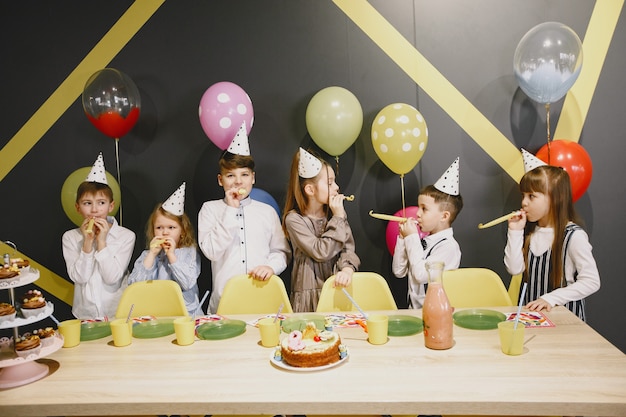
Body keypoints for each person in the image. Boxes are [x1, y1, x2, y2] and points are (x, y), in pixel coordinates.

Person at [198, 122, 290, 313]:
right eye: (230, 175)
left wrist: (270, 266)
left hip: (263, 299)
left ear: (253, 178)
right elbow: (212, 252)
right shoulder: (210, 210)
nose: (238, 181)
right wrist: (230, 210)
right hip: (224, 302)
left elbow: (281, 252)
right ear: (220, 180)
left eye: (244, 174)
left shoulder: (266, 212)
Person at [504, 150, 600, 321]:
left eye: (531, 196)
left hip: (566, 323)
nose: (524, 202)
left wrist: (551, 298)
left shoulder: (573, 236)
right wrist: (515, 231)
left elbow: (591, 281)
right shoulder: (531, 233)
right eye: (523, 196)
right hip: (533, 320)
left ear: (556, 198)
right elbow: (514, 269)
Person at [282, 148, 360, 312]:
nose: (337, 187)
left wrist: (347, 269)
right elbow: (320, 251)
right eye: (330, 183)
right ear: (310, 190)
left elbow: (348, 248)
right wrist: (338, 218)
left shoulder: (335, 214)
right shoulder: (294, 220)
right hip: (308, 297)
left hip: (336, 291)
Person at [62, 153, 136, 319]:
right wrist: (87, 244)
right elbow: (79, 278)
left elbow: (112, 278)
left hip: (117, 311)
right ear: (78, 207)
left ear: (111, 206)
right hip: (85, 313)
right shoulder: (70, 238)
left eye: (101, 203)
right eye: (87, 203)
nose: (94, 210)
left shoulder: (125, 236)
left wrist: (101, 242)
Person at [392, 158, 463, 309]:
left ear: (444, 216)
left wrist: (411, 238)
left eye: (424, 209)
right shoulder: (422, 242)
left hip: (436, 314)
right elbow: (399, 271)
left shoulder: (449, 247)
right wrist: (402, 238)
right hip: (415, 312)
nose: (417, 213)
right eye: (419, 207)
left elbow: (420, 275)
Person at [128, 182, 201, 315]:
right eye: (159, 228)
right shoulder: (147, 255)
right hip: (156, 314)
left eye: (171, 228)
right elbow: (134, 286)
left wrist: (172, 255)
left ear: (183, 231)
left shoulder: (189, 253)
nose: (165, 232)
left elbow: (187, 283)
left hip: (186, 314)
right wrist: (151, 255)